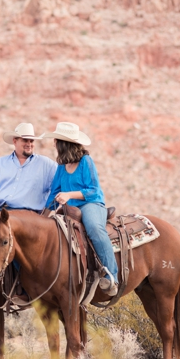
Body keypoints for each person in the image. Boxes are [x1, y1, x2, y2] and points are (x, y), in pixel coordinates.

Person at [42, 122, 119, 297]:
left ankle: (111, 276)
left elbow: (93, 190)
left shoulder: (86, 161)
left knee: (93, 228)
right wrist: (44, 216)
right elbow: (54, 192)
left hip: (91, 204)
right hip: (70, 209)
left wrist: (69, 195)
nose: (54, 143)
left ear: (63, 143)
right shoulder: (62, 167)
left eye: (56, 140)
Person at [0, 122, 58, 211]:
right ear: (15, 141)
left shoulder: (46, 164)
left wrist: (47, 210)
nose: (29, 144)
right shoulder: (0, 162)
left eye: (31, 141)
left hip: (27, 216)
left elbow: (58, 187)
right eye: (25, 140)